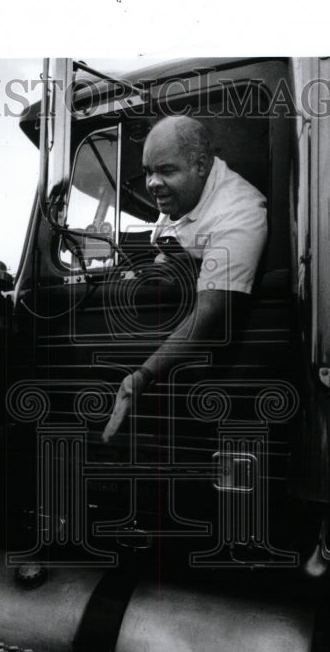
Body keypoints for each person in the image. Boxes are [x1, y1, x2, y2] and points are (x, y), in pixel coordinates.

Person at [102, 115, 268, 442]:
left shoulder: (239, 213)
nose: (152, 183)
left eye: (166, 170)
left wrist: (141, 377)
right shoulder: (181, 194)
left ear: (202, 165)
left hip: (224, 378)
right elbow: (165, 252)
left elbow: (210, 313)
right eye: (149, 171)